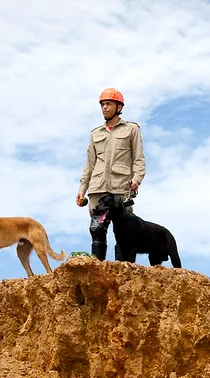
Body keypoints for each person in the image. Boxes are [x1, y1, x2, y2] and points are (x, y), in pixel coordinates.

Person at [76, 88, 146, 260]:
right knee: (96, 229)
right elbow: (89, 165)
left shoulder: (131, 129)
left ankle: (123, 274)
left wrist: (136, 179)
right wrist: (81, 189)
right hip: (97, 188)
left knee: (124, 232)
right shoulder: (95, 134)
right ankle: (97, 270)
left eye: (108, 104)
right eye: (102, 104)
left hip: (121, 189)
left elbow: (139, 159)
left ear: (118, 107)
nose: (105, 108)